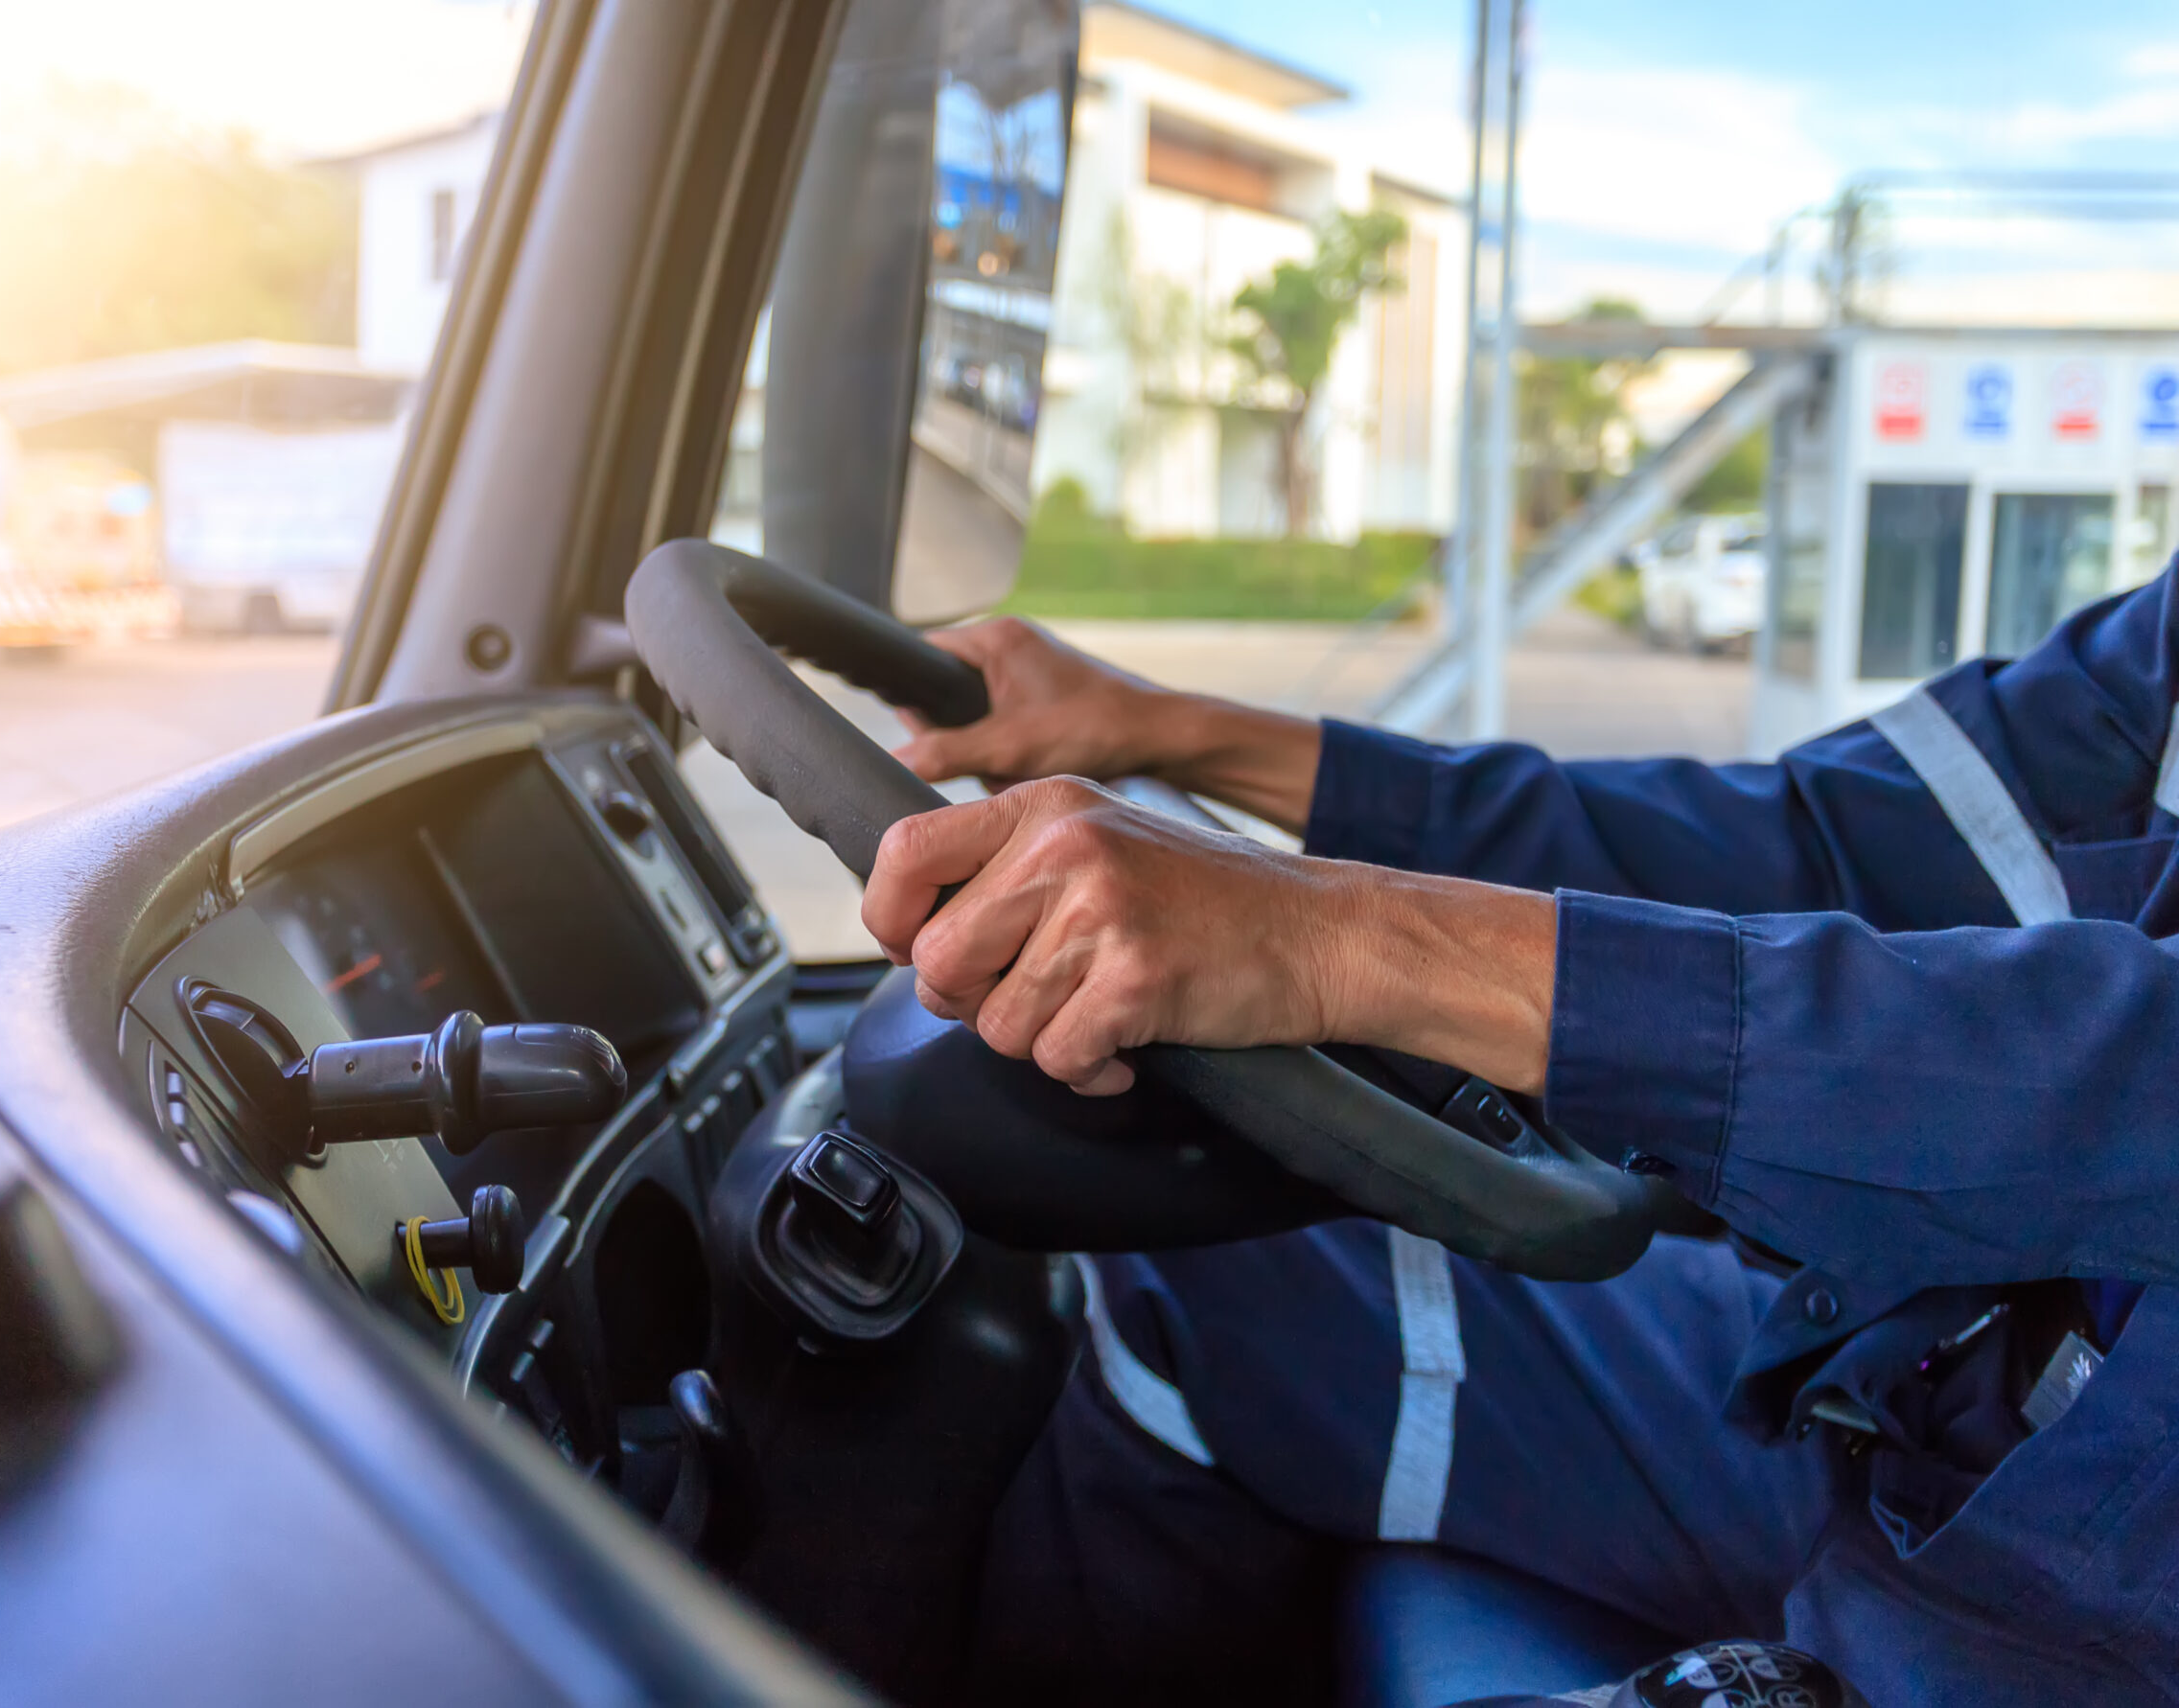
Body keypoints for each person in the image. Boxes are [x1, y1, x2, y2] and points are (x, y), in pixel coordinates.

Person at [857, 566, 2179, 1707]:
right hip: (1920, 1385)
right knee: (1199, 1281)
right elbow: (1817, 843)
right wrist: (1168, 732)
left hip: (2087, 1620)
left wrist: (1332, 937)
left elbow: (2129, 1077)